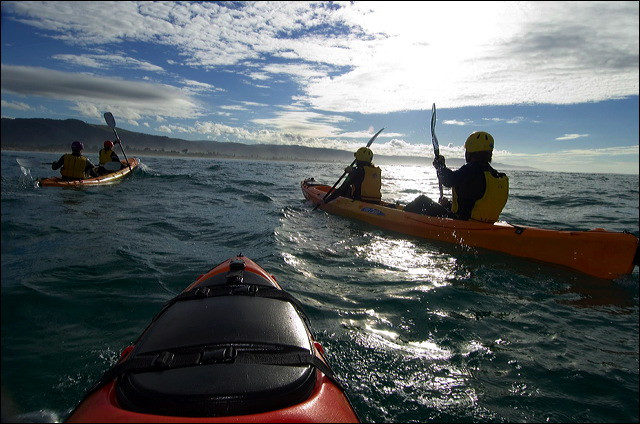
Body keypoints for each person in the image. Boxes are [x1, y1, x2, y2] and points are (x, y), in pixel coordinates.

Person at [404, 131, 509, 223]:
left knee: (422, 201)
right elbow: (472, 203)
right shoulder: (495, 174)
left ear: (469, 153)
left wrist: (440, 166)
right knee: (445, 204)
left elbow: (448, 181)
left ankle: (399, 216)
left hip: (463, 224)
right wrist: (448, 204)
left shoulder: (472, 169)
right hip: (483, 224)